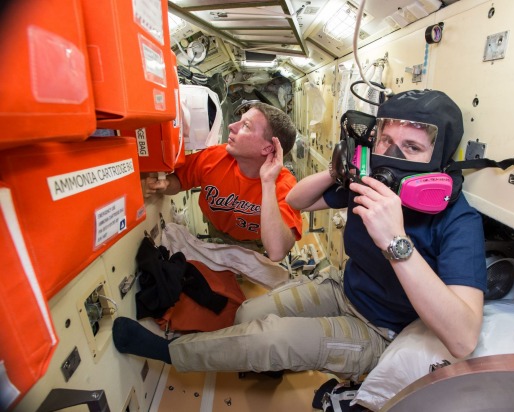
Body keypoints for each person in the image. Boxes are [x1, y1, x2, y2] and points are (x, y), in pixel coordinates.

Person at [112, 89, 487, 382]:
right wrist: (340, 169)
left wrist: (396, 242)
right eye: (386, 141)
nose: (392, 155)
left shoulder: (458, 220)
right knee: (248, 312)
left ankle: (170, 352)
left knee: (271, 340)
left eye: (412, 148)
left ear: (438, 158)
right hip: (342, 290)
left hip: (381, 329)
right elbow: (297, 199)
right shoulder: (369, 183)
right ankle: (270, 362)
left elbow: (462, 338)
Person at [144, 102, 302, 262]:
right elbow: (179, 180)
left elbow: (278, 251)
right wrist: (165, 184)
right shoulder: (215, 157)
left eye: (246, 126)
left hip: (252, 244)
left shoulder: (284, 185)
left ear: (267, 149)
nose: (232, 126)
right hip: (215, 231)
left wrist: (268, 183)